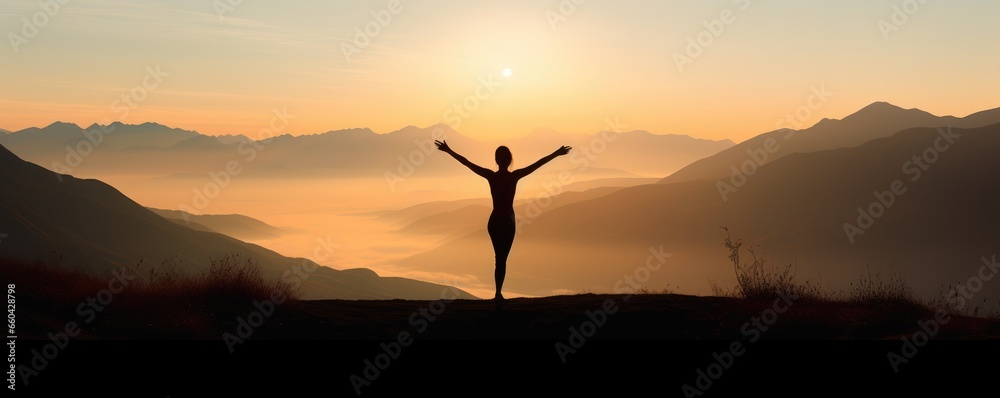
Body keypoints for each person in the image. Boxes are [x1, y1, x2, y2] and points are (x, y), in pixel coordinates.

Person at [435, 140, 571, 301]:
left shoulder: (491, 176)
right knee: (502, 259)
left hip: (494, 221)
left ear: (496, 160)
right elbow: (537, 164)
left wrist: (449, 150)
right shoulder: (514, 176)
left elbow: (467, 163)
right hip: (507, 222)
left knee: (498, 258)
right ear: (509, 160)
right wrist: (556, 153)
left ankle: (498, 293)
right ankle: (498, 293)